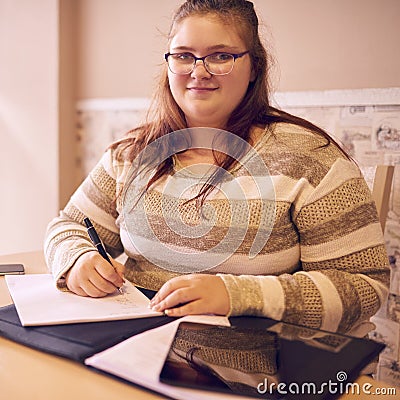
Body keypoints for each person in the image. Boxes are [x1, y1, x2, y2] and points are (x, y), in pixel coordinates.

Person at [45, 0, 389, 335]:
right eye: (183, 56)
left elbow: (364, 286)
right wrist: (76, 260)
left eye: (221, 56)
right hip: (130, 351)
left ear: (255, 66)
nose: (198, 71)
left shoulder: (311, 159)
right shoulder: (133, 153)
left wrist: (235, 295)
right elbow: (70, 225)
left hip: (253, 367)